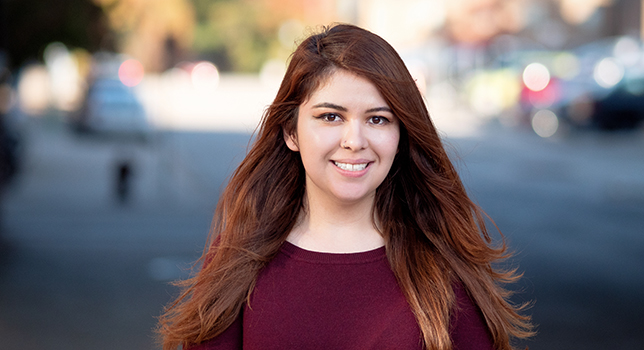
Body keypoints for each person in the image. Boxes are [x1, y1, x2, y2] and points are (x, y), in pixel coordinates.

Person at [158, 24, 534, 350]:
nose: (354, 140)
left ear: (401, 135)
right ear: (291, 131)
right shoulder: (237, 262)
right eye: (331, 116)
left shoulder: (444, 271)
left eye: (378, 119)